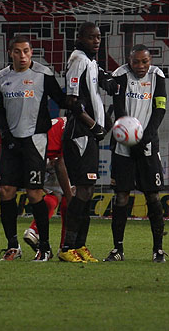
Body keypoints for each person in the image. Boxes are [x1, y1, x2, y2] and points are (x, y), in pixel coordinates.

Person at [0, 34, 68, 262]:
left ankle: (44, 247)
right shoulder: (2, 78)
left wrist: (80, 103)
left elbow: (62, 100)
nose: (22, 56)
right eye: (17, 51)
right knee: (6, 191)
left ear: (31, 52)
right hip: (11, 142)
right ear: (10, 53)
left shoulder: (43, 74)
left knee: (34, 193)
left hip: (35, 141)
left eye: (26, 51)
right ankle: (13, 246)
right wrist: (6, 136)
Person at [58, 22, 120, 263]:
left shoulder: (91, 62)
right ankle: (67, 247)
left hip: (90, 135)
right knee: (82, 190)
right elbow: (71, 101)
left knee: (88, 190)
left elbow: (106, 81)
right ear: (80, 38)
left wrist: (112, 82)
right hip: (79, 135)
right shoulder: (78, 59)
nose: (96, 41)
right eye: (91, 37)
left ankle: (80, 245)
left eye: (99, 37)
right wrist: (94, 125)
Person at [104, 45, 168, 263]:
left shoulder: (157, 76)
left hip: (148, 146)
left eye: (145, 61)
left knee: (153, 196)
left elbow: (160, 109)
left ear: (150, 61)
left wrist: (144, 138)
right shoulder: (120, 75)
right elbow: (119, 109)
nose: (140, 66)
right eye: (136, 62)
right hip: (123, 147)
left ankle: (158, 250)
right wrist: (131, 140)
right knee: (121, 196)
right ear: (128, 61)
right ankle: (117, 249)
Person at [21, 116, 74, 253]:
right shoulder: (75, 129)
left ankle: (33, 231)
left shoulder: (63, 121)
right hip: (47, 157)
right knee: (68, 195)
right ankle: (65, 248)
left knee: (54, 194)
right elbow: (59, 162)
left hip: (31, 153)